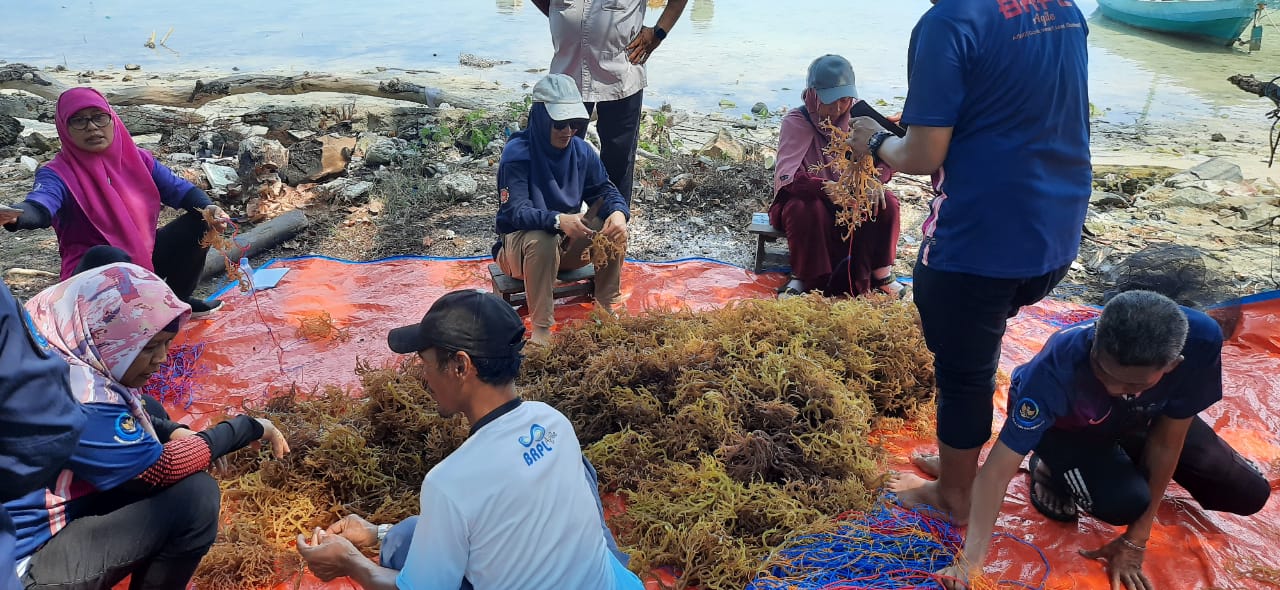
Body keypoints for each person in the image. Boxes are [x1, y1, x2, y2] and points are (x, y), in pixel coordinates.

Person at [846, 0, 1092, 522]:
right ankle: (960, 462)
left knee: (962, 374)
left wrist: (876, 140)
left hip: (982, 238)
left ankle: (954, 497)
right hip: (1056, 229)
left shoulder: (949, 22)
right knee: (979, 346)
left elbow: (923, 154)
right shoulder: (1065, 8)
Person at [296, 289, 642, 590]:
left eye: (426, 363)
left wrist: (351, 561)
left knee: (413, 543)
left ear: (461, 366)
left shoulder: (449, 482)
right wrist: (377, 534)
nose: (424, 376)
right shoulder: (553, 421)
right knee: (409, 532)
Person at [938, 290, 1270, 589]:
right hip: (1070, 430)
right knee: (1124, 502)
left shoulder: (1199, 340)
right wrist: (970, 562)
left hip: (1145, 419)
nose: (1112, 389)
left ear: (1172, 366)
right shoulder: (1055, 372)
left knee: (1249, 494)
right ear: (1096, 341)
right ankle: (1049, 466)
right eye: (1102, 372)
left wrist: (1136, 541)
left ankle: (1121, 448)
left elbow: (1168, 440)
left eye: (1129, 384)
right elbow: (996, 472)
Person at [6, 262, 290, 590]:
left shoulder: (51, 343)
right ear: (105, 337)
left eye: (167, 344)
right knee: (196, 497)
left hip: (35, 509)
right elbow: (163, 468)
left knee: (151, 410)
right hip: (22, 563)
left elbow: (138, 415)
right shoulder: (83, 398)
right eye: (149, 346)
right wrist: (249, 428)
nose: (162, 359)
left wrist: (172, 430)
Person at [0, 87, 229, 317]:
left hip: (141, 259)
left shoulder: (138, 159)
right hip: (92, 278)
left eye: (99, 117)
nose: (91, 127)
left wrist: (210, 208)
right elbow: (41, 205)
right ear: (64, 128)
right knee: (109, 256)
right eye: (78, 121)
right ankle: (123, 321)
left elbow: (182, 191)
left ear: (112, 119)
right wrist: (17, 214)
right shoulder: (56, 173)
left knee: (202, 219)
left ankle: (176, 302)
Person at [493, 74, 630, 344]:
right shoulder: (518, 154)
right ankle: (542, 329)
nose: (568, 131)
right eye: (559, 124)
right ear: (542, 119)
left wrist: (618, 212)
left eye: (576, 123)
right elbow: (515, 212)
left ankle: (607, 306)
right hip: (521, 252)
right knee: (542, 238)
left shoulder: (582, 151)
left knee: (610, 225)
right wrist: (558, 220)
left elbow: (604, 189)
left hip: (567, 245)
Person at [531, 0, 689, 205]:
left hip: (621, 72)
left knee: (618, 161)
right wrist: (559, 16)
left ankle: (612, 225)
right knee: (557, 154)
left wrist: (658, 33)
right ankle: (557, 222)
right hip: (566, 74)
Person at [772, 54, 904, 298]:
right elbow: (787, 179)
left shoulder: (861, 118)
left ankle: (881, 272)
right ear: (813, 94)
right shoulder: (795, 121)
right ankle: (804, 277)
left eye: (844, 100)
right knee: (804, 208)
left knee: (888, 203)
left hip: (852, 198)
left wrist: (874, 180)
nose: (837, 108)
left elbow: (887, 158)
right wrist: (827, 188)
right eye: (830, 101)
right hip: (809, 199)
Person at [1, 278, 87, 590]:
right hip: (18, 557)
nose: (161, 358)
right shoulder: (91, 400)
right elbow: (49, 434)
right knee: (193, 499)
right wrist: (242, 429)